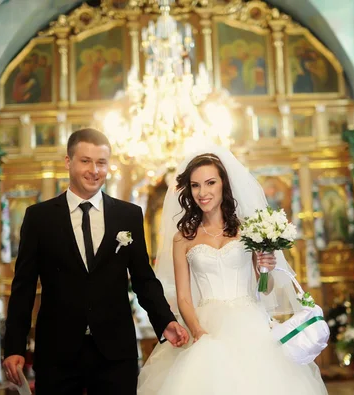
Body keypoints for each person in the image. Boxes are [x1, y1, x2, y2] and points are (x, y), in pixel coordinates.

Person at [2, 128, 188, 395]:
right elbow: (23, 288)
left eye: (101, 162)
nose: (94, 170)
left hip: (115, 351)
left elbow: (143, 279)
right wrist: (14, 348)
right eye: (85, 161)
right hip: (57, 351)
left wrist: (165, 321)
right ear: (69, 162)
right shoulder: (39, 218)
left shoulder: (129, 215)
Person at [137, 143, 327, 394]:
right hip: (206, 324)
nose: (202, 192)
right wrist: (197, 331)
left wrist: (266, 268)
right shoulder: (183, 238)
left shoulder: (248, 230)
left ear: (224, 184)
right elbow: (183, 296)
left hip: (250, 323)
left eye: (210, 183)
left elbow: (266, 288)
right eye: (195, 185)